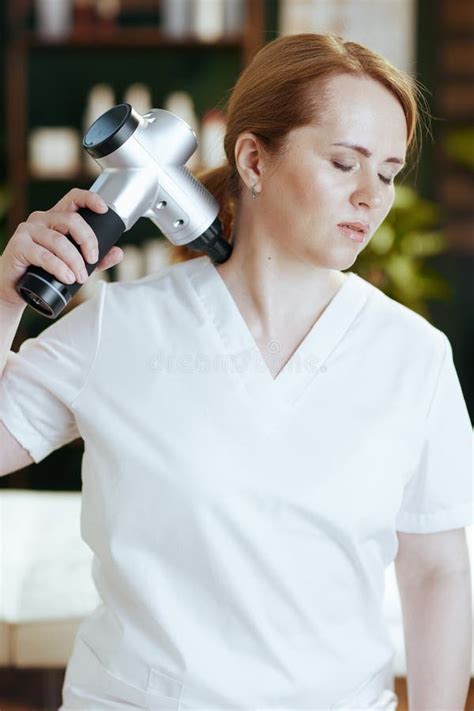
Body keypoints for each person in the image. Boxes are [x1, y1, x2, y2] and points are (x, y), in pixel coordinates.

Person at [0, 32, 472, 711]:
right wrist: (5, 296)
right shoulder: (122, 329)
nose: (372, 196)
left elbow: (436, 571)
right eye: (345, 162)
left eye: (389, 172)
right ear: (253, 159)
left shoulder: (412, 356)